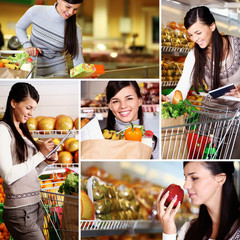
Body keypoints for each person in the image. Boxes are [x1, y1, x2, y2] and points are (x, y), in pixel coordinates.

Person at [0, 82, 58, 239]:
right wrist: (40, 155)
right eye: (28, 107)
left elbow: (30, 173)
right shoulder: (3, 130)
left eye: (34, 109)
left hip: (36, 206)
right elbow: (9, 176)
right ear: (13, 103)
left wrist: (46, 161)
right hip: (19, 212)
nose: (32, 113)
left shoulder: (23, 131)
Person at [162, 6, 240, 108]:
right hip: (211, 118)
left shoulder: (237, 46)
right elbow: (181, 89)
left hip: (237, 118)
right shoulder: (194, 55)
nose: (195, 39)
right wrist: (165, 99)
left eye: (198, 33)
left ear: (212, 26)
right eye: (191, 35)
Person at [157, 161, 240, 240]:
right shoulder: (188, 229)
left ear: (220, 179)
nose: (185, 185)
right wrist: (169, 233)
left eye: (194, 178)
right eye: (185, 178)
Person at [15, 0, 84, 77]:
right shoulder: (36, 11)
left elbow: (77, 58)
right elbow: (19, 27)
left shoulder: (76, 29)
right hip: (32, 67)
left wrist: (84, 75)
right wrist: (27, 45)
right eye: (68, 7)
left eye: (75, 9)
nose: (71, 12)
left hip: (58, 70)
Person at [106, 81, 159, 159]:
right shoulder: (100, 139)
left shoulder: (153, 142)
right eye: (116, 101)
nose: (123, 106)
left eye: (129, 98)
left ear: (140, 101)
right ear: (110, 106)